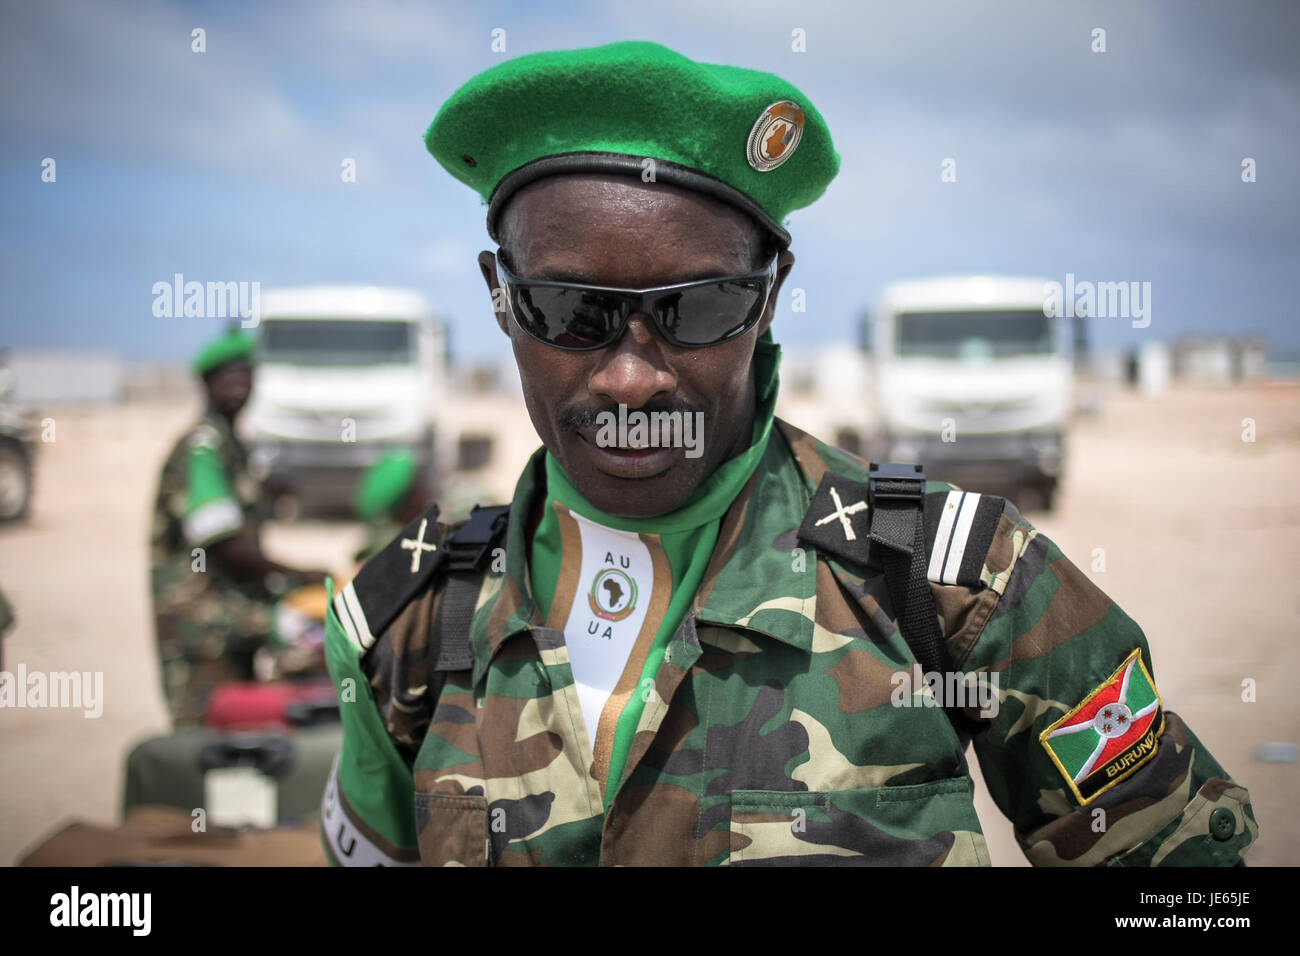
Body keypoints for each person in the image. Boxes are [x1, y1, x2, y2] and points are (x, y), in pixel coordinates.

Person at [320, 41, 1256, 866]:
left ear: (769, 299)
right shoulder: (407, 619)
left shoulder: (955, 587)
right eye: (572, 313)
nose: (632, 380)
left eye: (698, 309)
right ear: (499, 292)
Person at [151, 329, 329, 726]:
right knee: (205, 737)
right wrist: (301, 575)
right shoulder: (204, 449)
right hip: (202, 626)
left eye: (245, 377)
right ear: (206, 384)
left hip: (233, 622)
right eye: (226, 378)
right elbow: (226, 544)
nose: (238, 387)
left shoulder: (233, 445)